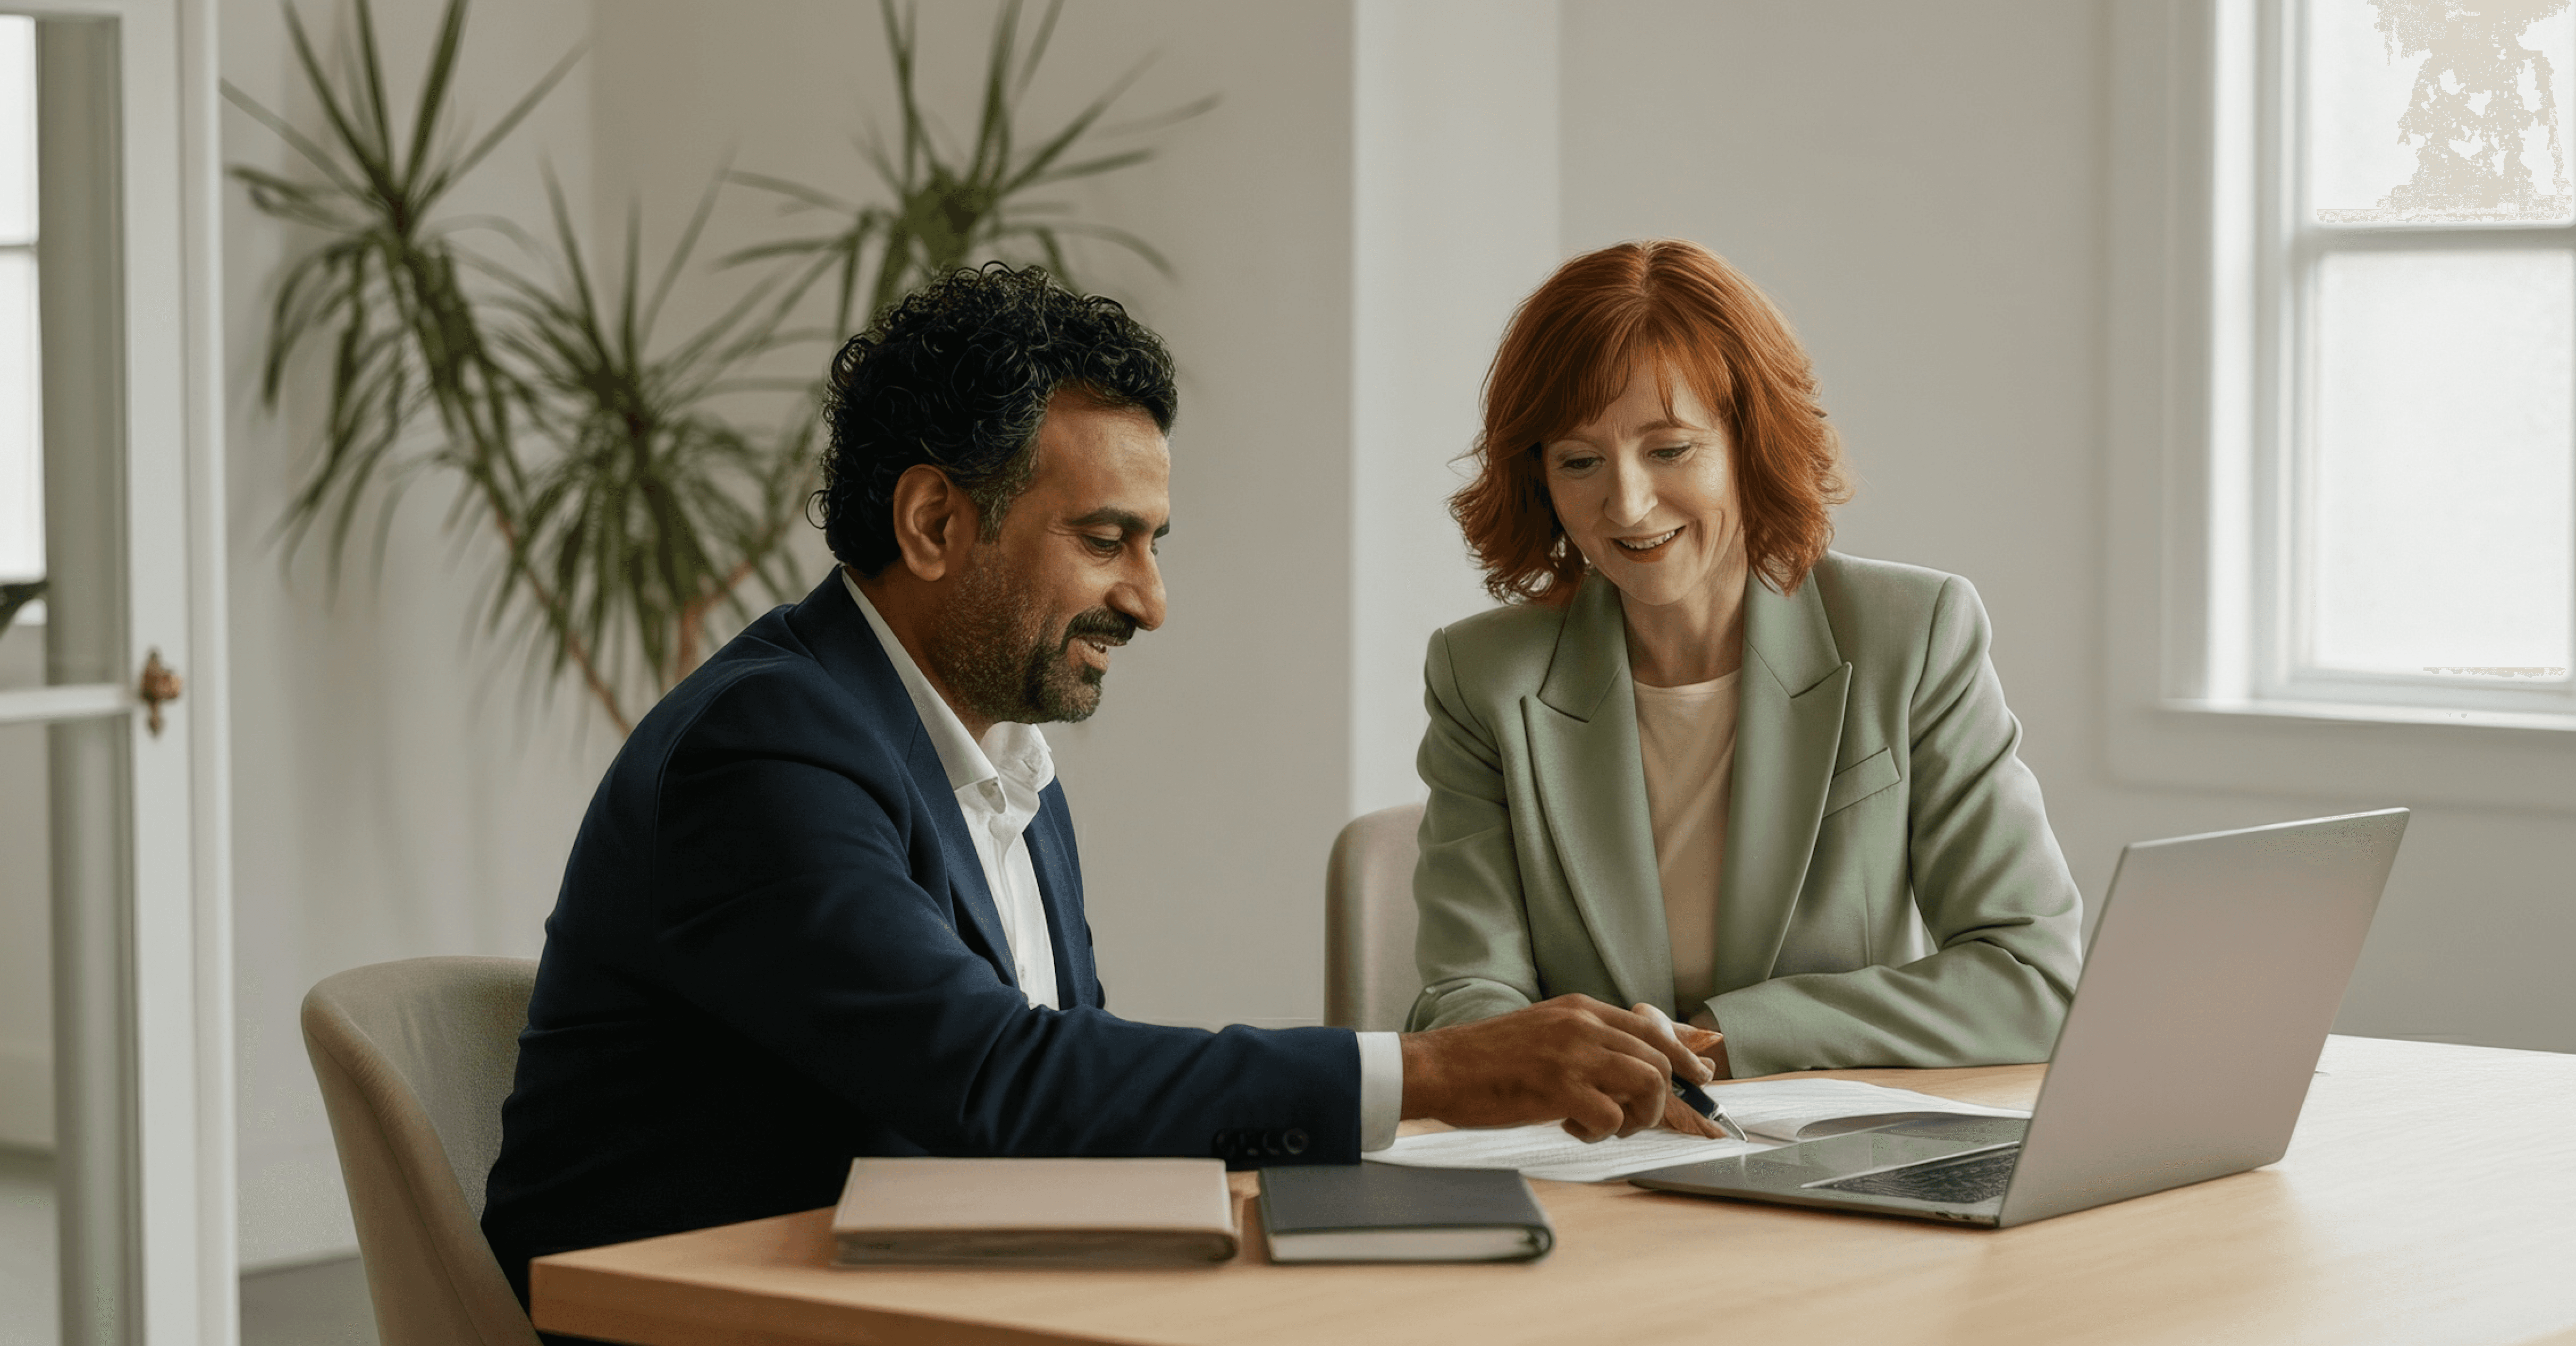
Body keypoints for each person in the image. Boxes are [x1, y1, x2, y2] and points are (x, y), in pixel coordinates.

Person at [479, 265, 1721, 1307]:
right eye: (1104, 538)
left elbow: (1059, 1093)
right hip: (715, 1317)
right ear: (931, 523)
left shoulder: (1002, 759)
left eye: (1153, 543)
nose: (1150, 599)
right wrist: (1436, 1071)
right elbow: (994, 1078)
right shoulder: (765, 748)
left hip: (930, 1287)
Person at [1405, 240, 2085, 1078]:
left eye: (1670, 449)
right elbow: (1469, 994)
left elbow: (2032, 978)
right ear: (1539, 478)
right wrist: (1553, 1071)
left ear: (1749, 443)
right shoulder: (1483, 677)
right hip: (1591, 1157)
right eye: (1579, 462)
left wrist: (1728, 1044)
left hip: (1846, 1161)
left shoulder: (1911, 636)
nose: (1625, 502)